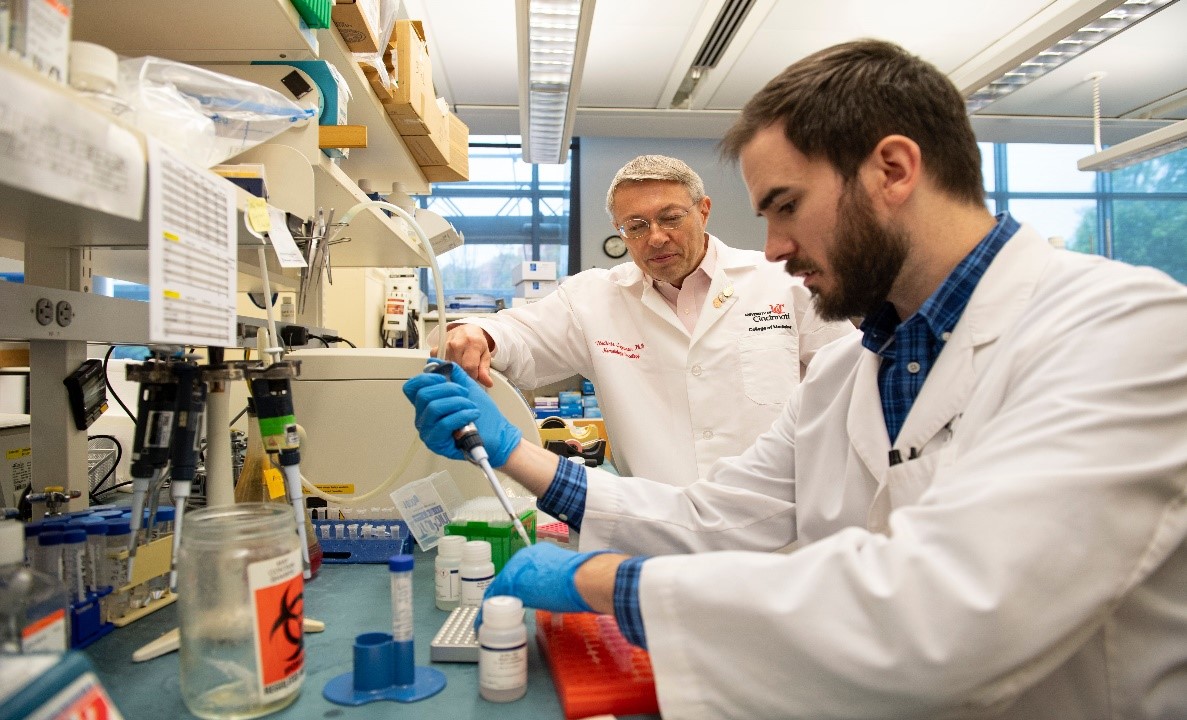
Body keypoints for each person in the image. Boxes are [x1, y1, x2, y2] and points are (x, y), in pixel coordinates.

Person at [404, 39, 1187, 720]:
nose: (772, 248)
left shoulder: (1125, 329)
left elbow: (946, 615)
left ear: (892, 169)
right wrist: (510, 451)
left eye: (785, 206)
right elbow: (717, 516)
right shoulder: (855, 367)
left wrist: (611, 581)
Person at [436, 154, 854, 486]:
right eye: (635, 226)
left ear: (703, 211)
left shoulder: (784, 280)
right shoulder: (594, 299)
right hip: (657, 527)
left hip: (782, 526)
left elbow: (852, 384)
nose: (655, 237)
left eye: (671, 217)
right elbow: (519, 335)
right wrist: (479, 333)